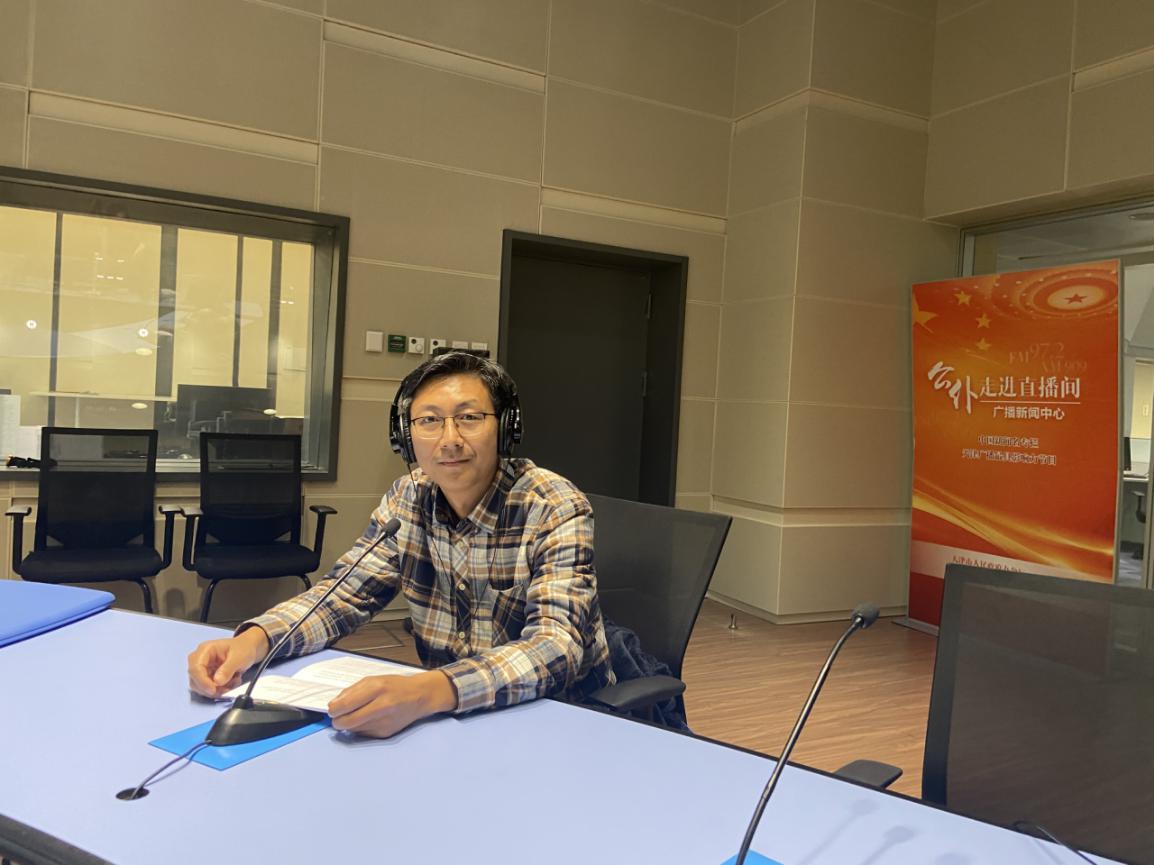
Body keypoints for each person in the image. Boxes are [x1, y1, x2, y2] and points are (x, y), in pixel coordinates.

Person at [187, 351, 614, 738]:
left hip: (561, 719)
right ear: (405, 437)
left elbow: (556, 646)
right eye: (429, 421)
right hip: (453, 718)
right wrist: (256, 641)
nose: (449, 439)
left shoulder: (552, 506)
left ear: (505, 427)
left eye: (469, 418)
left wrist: (428, 691)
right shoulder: (407, 498)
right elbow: (341, 597)